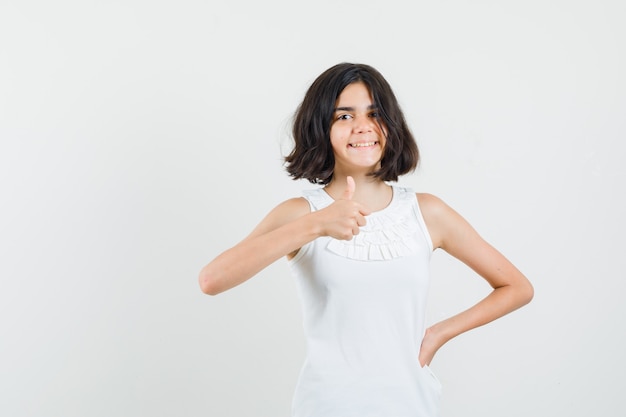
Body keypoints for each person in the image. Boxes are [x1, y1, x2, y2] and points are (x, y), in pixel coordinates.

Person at [198, 62, 534, 417]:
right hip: (325, 406)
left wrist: (439, 333)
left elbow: (516, 287)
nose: (362, 127)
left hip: (411, 405)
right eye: (343, 116)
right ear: (320, 127)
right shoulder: (300, 213)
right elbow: (212, 280)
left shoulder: (427, 212)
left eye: (375, 113)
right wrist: (316, 225)